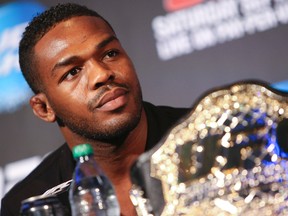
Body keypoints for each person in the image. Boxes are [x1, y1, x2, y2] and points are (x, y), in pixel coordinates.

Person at [1, 3, 189, 216]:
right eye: (72, 72)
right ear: (44, 108)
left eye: (110, 53)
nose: (101, 74)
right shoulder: (30, 205)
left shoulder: (210, 136)